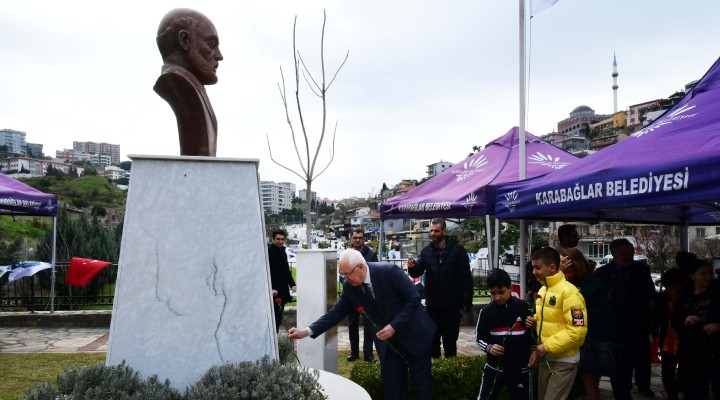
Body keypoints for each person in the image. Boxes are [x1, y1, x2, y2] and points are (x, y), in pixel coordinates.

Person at [289, 249, 435, 400]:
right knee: (392, 387)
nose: (345, 278)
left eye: (347, 273)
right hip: (389, 343)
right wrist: (306, 332)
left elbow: (413, 299)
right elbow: (335, 313)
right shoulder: (349, 286)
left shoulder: (389, 272)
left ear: (360, 267)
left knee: (421, 384)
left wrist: (393, 326)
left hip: (415, 334)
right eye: (342, 274)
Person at [154, 8, 223, 156]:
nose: (219, 56)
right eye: (211, 44)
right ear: (185, 40)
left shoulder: (195, 87)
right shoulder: (179, 82)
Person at [595, 238, 656, 399]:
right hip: (616, 326)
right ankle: (622, 393)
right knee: (620, 364)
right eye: (623, 253)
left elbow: (650, 293)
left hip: (640, 322)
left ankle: (644, 385)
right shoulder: (602, 273)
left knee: (642, 358)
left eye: (630, 253)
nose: (627, 256)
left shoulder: (641, 269)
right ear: (613, 254)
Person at [525, 247, 587, 400]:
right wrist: (534, 322)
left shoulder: (570, 292)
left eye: (537, 267)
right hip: (547, 358)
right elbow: (552, 321)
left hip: (564, 362)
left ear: (552, 267)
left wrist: (546, 346)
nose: (533, 272)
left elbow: (577, 332)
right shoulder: (544, 290)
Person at [407, 218, 473, 358]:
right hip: (433, 305)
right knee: (432, 340)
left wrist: (466, 303)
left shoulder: (458, 250)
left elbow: (466, 278)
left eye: (436, 231)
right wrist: (412, 267)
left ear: (444, 231)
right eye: (431, 230)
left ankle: (449, 371)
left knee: (450, 342)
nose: (433, 233)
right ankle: (435, 371)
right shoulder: (426, 251)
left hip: (452, 305)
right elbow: (418, 271)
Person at [475, 269, 536, 400]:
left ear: (510, 288)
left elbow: (532, 336)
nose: (497, 297)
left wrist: (534, 350)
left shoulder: (524, 307)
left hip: (521, 369)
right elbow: (479, 337)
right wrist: (489, 347)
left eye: (501, 292)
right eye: (493, 293)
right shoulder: (486, 312)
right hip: (495, 368)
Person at [559, 247, 610, 400]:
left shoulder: (591, 282)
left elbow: (603, 309)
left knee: (588, 374)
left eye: (562, 261)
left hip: (588, 335)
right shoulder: (564, 280)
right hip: (566, 335)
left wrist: (581, 313)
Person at [671, 259, 720, 400]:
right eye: (703, 274)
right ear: (693, 276)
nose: (708, 277)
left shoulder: (717, 291)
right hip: (693, 350)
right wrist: (685, 322)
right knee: (697, 388)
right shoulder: (686, 296)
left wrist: (718, 325)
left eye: (710, 273)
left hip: (716, 348)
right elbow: (675, 322)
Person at [345, 228, 379, 362]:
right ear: (351, 239)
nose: (358, 239)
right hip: (352, 294)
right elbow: (343, 273)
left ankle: (368, 354)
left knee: (369, 325)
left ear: (364, 239)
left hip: (366, 295)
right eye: (355, 237)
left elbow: (375, 272)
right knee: (352, 324)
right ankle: (354, 352)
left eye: (360, 237)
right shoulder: (347, 254)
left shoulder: (371, 254)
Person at [651, 268, 683, 400]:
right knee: (667, 374)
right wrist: (653, 332)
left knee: (685, 374)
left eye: (674, 287)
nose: (671, 290)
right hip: (667, 342)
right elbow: (655, 317)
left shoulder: (687, 298)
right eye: (668, 287)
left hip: (685, 342)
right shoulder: (662, 298)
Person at [267, 229, 296, 333]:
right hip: (273, 292)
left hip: (282, 292)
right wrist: (270, 289)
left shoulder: (283, 253)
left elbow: (286, 271)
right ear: (273, 239)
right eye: (278, 239)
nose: (280, 241)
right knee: (274, 319)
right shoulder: (268, 253)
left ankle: (275, 339)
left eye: (282, 239)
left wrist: (293, 285)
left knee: (278, 318)